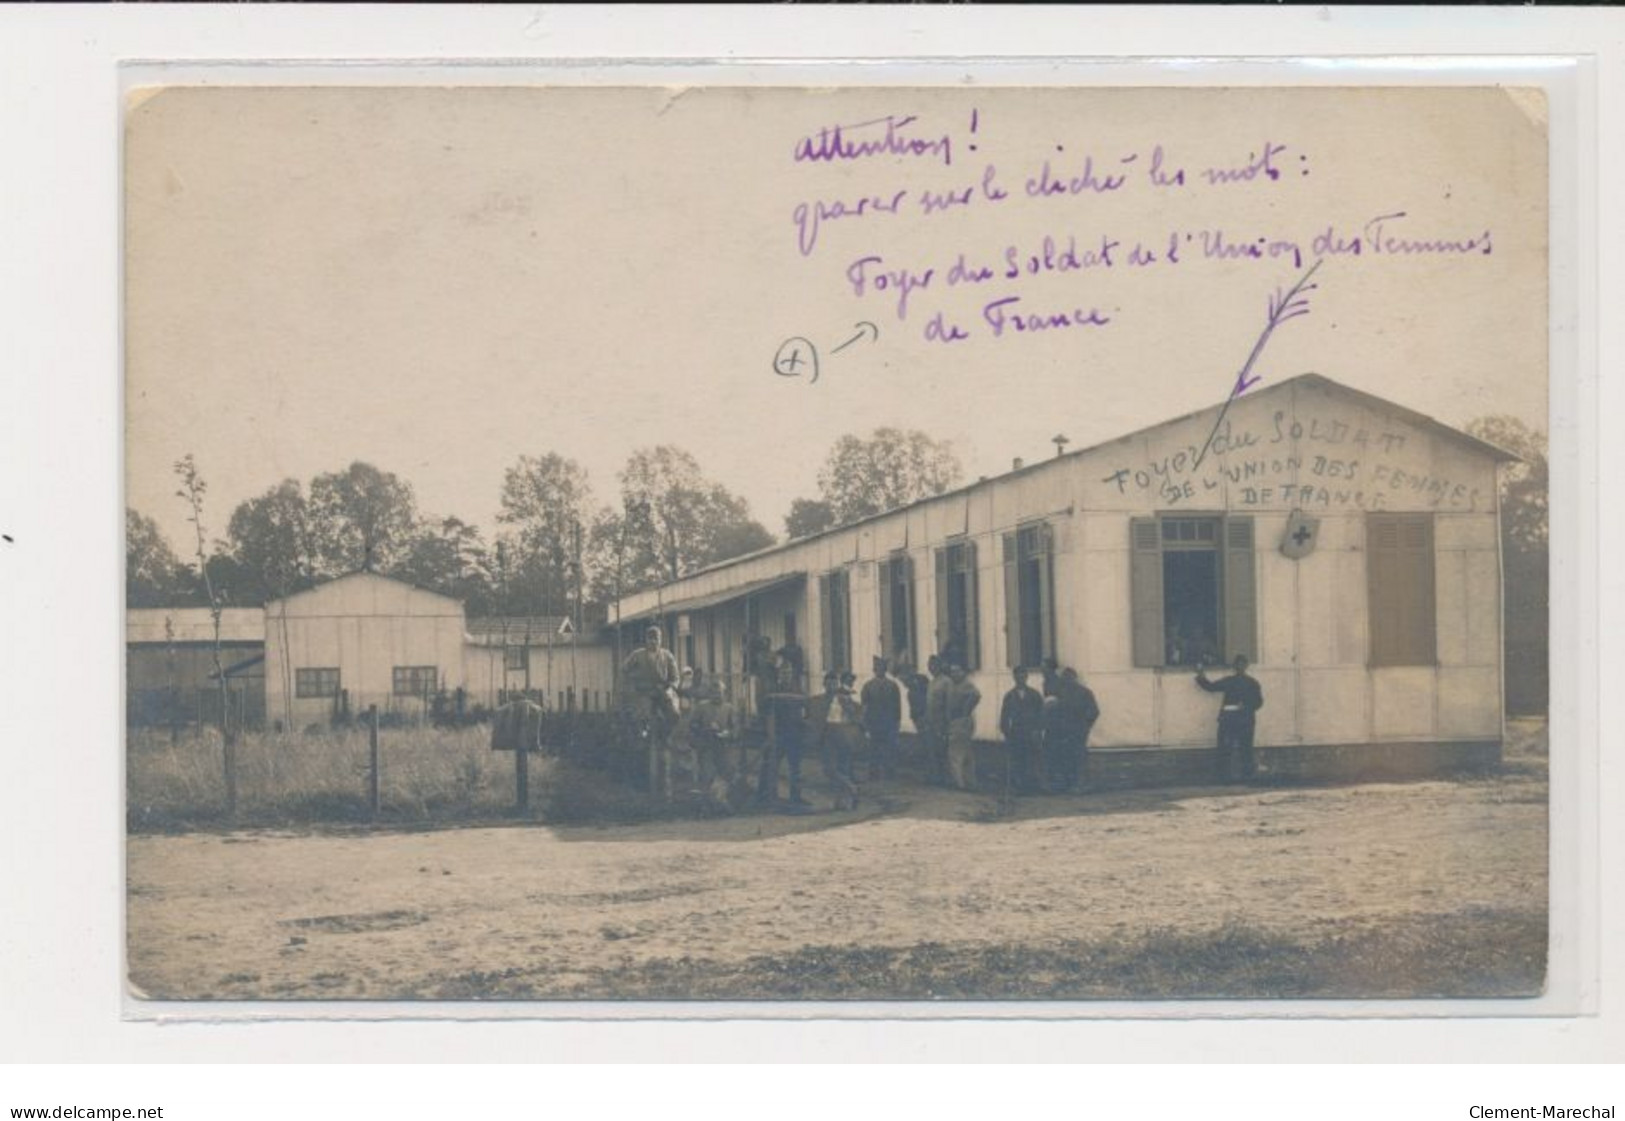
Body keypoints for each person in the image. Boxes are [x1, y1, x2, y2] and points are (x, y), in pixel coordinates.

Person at [1196, 654, 1265, 782]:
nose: (1240, 667)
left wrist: (1246, 705)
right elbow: (1210, 687)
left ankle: (1248, 776)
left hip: (1245, 721)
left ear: (1246, 666)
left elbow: (1259, 702)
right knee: (1225, 748)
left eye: (1242, 664)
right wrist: (1200, 675)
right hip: (1229, 720)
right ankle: (1223, 777)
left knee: (1246, 749)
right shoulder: (1229, 681)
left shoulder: (1252, 683)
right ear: (1234, 666)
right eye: (1237, 664)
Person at [810, 671, 861, 810]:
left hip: (842, 735)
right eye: (828, 683)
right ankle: (845, 794)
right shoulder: (819, 700)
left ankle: (847, 797)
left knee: (841, 768)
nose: (831, 686)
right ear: (824, 685)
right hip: (827, 736)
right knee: (829, 769)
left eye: (834, 683)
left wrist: (847, 705)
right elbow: (816, 716)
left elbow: (855, 713)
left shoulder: (844, 698)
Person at [1053, 667, 1101, 793]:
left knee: (1079, 757)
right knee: (1065, 757)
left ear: (1074, 678)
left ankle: (1080, 784)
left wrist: (1085, 726)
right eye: (1065, 678)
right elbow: (1057, 711)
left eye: (1069, 678)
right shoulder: (1061, 693)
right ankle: (1069, 784)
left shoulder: (1085, 693)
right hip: (1064, 732)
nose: (1067, 681)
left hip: (1078, 732)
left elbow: (1094, 711)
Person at [999, 666, 1045, 795]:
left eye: (1023, 676)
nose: (1021, 679)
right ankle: (1019, 787)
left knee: (1032, 760)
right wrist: (1006, 732)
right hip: (1016, 733)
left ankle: (1033, 787)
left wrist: (1039, 730)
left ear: (1027, 677)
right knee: (1018, 760)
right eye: (1018, 676)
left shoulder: (1035, 695)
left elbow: (1041, 714)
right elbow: (1004, 716)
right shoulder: (1009, 696)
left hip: (1031, 732)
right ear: (1014, 677)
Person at [860, 656, 903, 782]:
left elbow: (897, 705)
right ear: (874, 670)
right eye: (877, 668)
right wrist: (865, 722)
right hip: (874, 722)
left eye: (882, 668)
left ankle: (890, 773)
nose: (880, 670)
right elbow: (864, 705)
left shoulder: (893, 685)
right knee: (874, 748)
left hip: (889, 721)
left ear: (885, 670)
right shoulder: (868, 686)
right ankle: (874, 773)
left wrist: (897, 721)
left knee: (890, 748)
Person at [944, 663, 981, 791]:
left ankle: (959, 783)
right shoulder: (952, 685)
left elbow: (976, 695)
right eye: (952, 672)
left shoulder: (966, 684)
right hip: (955, 721)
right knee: (965, 752)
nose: (954, 674)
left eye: (957, 671)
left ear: (963, 672)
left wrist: (966, 709)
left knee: (955, 753)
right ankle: (968, 781)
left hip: (961, 721)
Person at [923, 655, 953, 785]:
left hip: (941, 721)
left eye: (934, 666)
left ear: (940, 666)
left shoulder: (946, 682)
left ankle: (945, 778)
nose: (931, 668)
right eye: (930, 666)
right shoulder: (932, 682)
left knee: (942, 750)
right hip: (931, 721)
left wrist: (947, 723)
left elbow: (949, 703)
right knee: (932, 750)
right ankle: (935, 777)